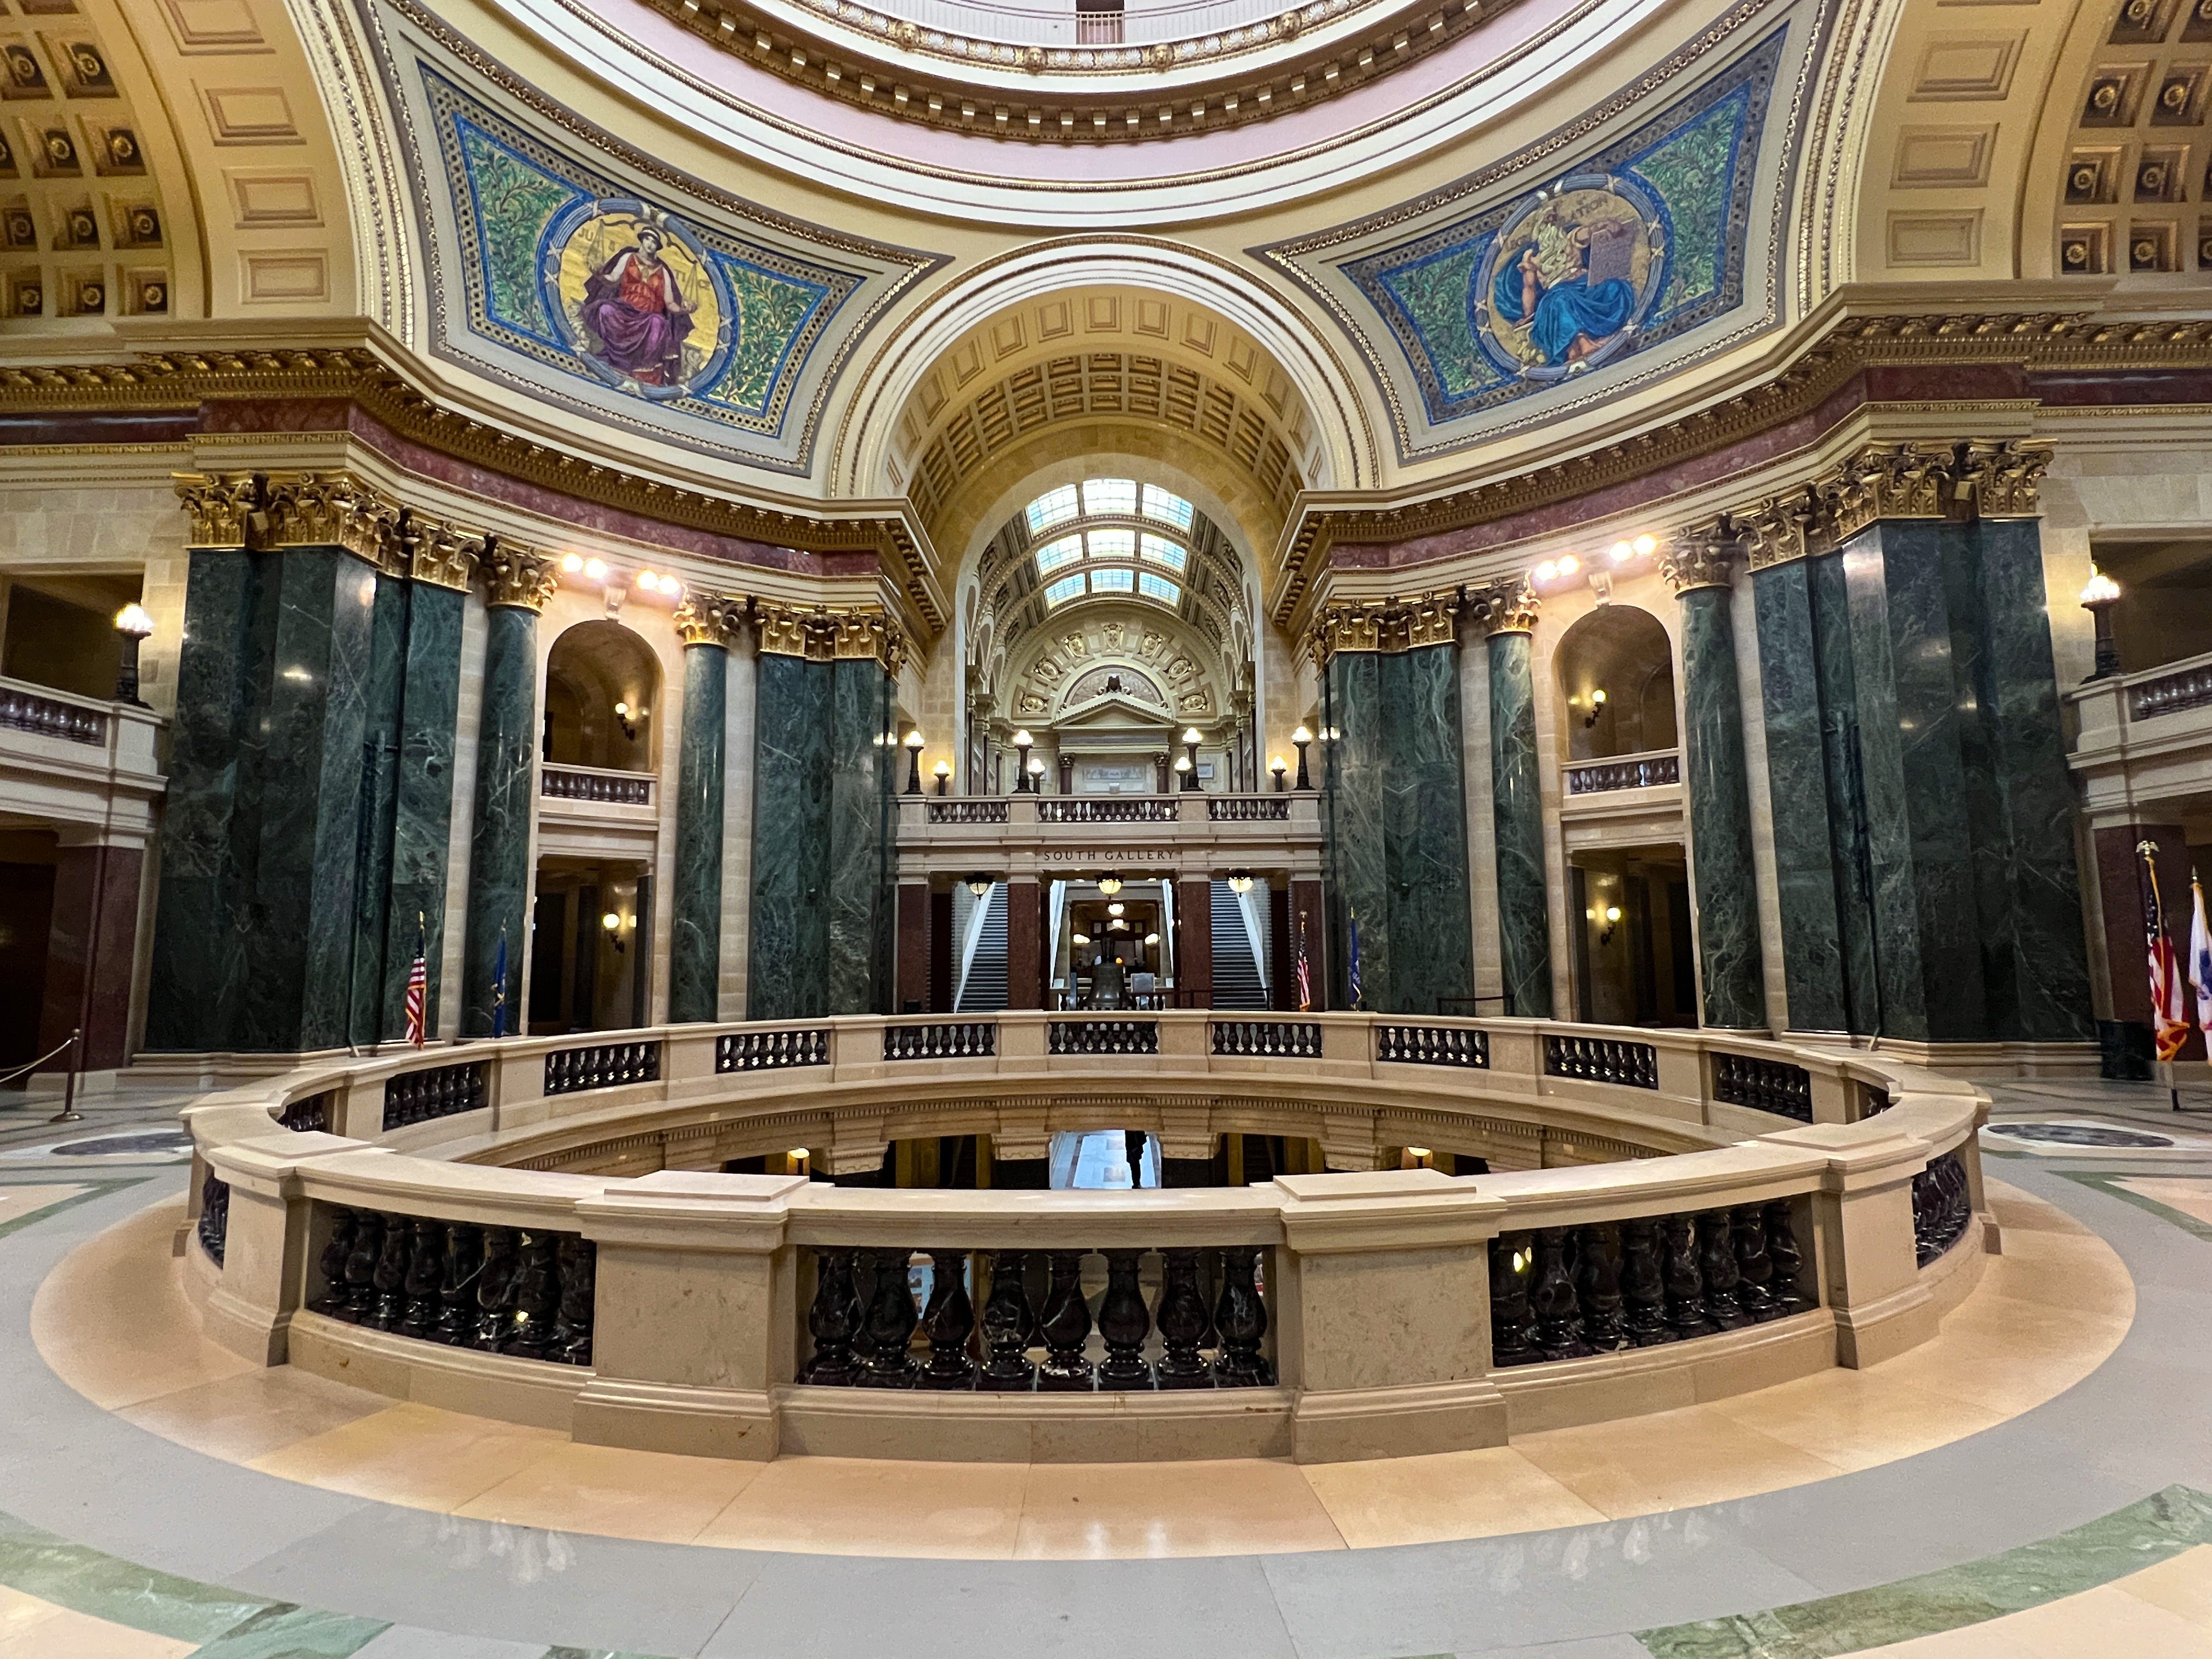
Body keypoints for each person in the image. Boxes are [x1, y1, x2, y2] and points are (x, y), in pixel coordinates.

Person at [1491, 211, 1637, 369]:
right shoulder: (1532, 258)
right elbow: (1529, 287)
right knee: (1561, 299)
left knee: (1615, 286)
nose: (1551, 225)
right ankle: (1582, 345)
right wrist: (1528, 315)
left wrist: (1605, 225)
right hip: (1557, 293)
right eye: (1546, 222)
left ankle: (1597, 336)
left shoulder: (1570, 239)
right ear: (1538, 231)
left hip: (1585, 286)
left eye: (1553, 221)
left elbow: (1589, 231)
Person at [578, 224, 695, 387]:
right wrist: (600, 275)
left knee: (659, 323)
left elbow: (670, 303)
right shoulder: (628, 258)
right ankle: (616, 359)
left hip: (648, 316)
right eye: (648, 239)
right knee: (606, 310)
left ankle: (644, 369)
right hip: (625, 309)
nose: (650, 244)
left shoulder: (663, 272)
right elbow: (613, 279)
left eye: (654, 242)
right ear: (642, 240)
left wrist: (684, 310)